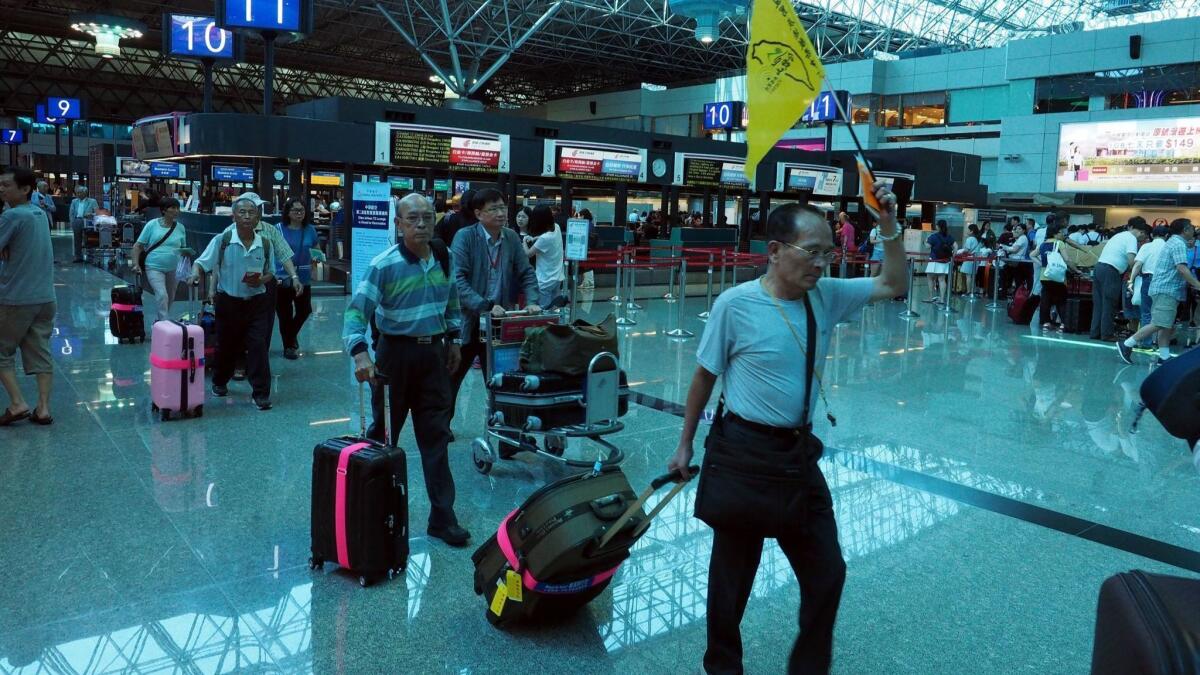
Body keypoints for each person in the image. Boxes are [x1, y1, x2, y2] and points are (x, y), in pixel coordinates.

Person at [668, 181, 906, 675]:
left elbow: (893, 284)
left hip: (798, 456)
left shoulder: (827, 296)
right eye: (813, 252)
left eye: (829, 252)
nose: (822, 263)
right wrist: (685, 443)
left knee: (828, 573)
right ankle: (723, 667)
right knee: (731, 580)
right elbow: (703, 376)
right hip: (744, 452)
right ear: (775, 251)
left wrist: (887, 224)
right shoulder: (736, 305)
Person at [344, 193, 468, 547]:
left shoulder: (444, 257)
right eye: (412, 218)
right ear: (398, 224)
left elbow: (453, 304)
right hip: (394, 358)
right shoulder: (384, 265)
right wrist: (360, 354)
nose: (421, 225)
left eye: (427, 218)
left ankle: (443, 518)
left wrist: (455, 339)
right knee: (384, 439)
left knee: (436, 438)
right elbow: (356, 313)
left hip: (435, 359)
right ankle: (374, 515)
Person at [448, 188, 540, 427]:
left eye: (503, 208)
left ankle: (508, 437)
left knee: (505, 381)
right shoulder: (465, 237)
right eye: (494, 209)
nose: (501, 213)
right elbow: (459, 282)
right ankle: (441, 428)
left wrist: (532, 301)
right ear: (479, 214)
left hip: (500, 327)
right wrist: (485, 305)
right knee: (451, 380)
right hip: (469, 324)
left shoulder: (510, 238)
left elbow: (526, 273)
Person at [189, 197, 278, 411]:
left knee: (258, 347)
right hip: (229, 303)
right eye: (242, 212)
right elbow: (201, 262)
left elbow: (271, 273)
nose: (247, 216)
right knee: (226, 347)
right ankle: (219, 381)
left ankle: (261, 393)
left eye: (251, 213)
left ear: (258, 217)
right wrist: (194, 275)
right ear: (234, 216)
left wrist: (261, 280)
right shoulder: (223, 240)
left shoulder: (265, 244)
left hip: (257, 303)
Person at [0, 168, 57, 426]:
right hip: (45, 297)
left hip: (17, 297)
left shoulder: (12, 216)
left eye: (6, 185)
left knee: (2, 351)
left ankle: (17, 403)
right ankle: (43, 408)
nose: (1, 189)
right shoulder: (40, 213)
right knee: (40, 350)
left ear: (25, 189)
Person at [1118, 219, 1200, 366]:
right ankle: (1127, 344)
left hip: (1163, 288)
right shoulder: (1178, 244)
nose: (1194, 230)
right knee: (1158, 323)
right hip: (1167, 289)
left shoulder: (1173, 242)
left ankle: (1164, 356)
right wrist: (1197, 284)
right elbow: (1181, 268)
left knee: (1165, 324)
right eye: (1192, 228)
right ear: (1185, 230)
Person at [1091, 217, 1150, 341]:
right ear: (1138, 230)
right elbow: (1131, 261)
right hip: (1111, 271)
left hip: (1099, 268)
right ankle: (1107, 334)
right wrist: (1137, 272)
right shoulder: (1131, 239)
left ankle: (1095, 332)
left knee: (1099, 303)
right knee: (1109, 303)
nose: (1142, 237)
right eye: (1142, 234)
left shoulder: (1119, 235)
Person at [130, 197, 188, 323]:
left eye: (178, 208)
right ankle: (165, 324)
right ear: (163, 210)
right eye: (173, 208)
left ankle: (160, 320)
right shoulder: (152, 225)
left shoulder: (181, 228)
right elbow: (138, 246)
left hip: (174, 268)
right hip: (154, 266)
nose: (176, 211)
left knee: (171, 296)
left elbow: (183, 248)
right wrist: (135, 264)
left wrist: (187, 252)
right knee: (162, 295)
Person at [275, 198, 319, 359]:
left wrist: (317, 258)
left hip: (304, 276)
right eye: (295, 210)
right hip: (283, 277)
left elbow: (315, 248)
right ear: (287, 212)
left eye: (302, 210)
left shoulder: (310, 230)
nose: (299, 213)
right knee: (284, 313)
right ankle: (289, 346)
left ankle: (290, 337)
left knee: (304, 310)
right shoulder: (278, 229)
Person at [1127, 225, 1168, 345]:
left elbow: (1138, 265)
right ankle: (1158, 342)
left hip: (1148, 280)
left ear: (1151, 235)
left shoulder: (1146, 246)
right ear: (1166, 236)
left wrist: (1131, 281)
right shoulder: (1168, 247)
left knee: (1146, 312)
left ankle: (1146, 343)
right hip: (1163, 282)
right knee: (1161, 314)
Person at [1036, 224, 1081, 331]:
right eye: (1061, 232)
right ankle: (1063, 324)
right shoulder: (1059, 243)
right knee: (1061, 299)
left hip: (1044, 276)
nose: (1063, 235)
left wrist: (1041, 264)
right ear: (1055, 233)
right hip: (1057, 277)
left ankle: (1046, 323)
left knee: (1045, 299)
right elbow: (1067, 259)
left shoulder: (1043, 244)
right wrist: (1076, 270)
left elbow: (1032, 254)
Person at [523, 205, 566, 307]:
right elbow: (547, 239)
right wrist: (535, 239)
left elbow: (528, 253)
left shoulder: (544, 239)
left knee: (543, 310)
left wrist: (524, 241)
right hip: (557, 277)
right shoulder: (557, 227)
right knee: (555, 310)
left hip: (545, 280)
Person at [924, 220, 956, 303]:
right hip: (944, 261)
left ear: (938, 226)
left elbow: (927, 246)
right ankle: (942, 299)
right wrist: (953, 256)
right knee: (942, 280)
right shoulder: (949, 237)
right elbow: (955, 246)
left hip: (934, 260)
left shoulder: (933, 236)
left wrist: (925, 241)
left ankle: (930, 297)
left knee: (930, 278)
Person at [999, 223, 1030, 297]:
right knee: (1015, 279)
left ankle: (1015, 295)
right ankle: (1011, 293)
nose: (1017, 230)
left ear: (1024, 230)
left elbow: (1014, 250)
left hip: (1018, 262)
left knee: (1017, 280)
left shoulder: (1023, 238)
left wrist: (1004, 247)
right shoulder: (1019, 238)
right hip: (1015, 262)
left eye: (1020, 229)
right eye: (1017, 229)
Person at [68, 186, 97, 263]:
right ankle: (78, 257)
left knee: (88, 239)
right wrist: (72, 222)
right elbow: (71, 213)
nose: (78, 194)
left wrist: (91, 214)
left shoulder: (92, 201)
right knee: (77, 240)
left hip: (87, 221)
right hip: (77, 221)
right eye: (77, 192)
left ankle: (90, 256)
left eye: (80, 192)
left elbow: (97, 213)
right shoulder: (74, 201)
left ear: (85, 193)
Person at [960, 224, 982, 293]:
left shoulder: (969, 239)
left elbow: (966, 250)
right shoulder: (977, 239)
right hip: (975, 259)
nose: (967, 231)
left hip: (969, 259)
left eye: (968, 229)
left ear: (971, 231)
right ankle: (973, 291)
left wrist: (960, 252)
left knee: (968, 276)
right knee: (973, 276)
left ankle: (968, 292)